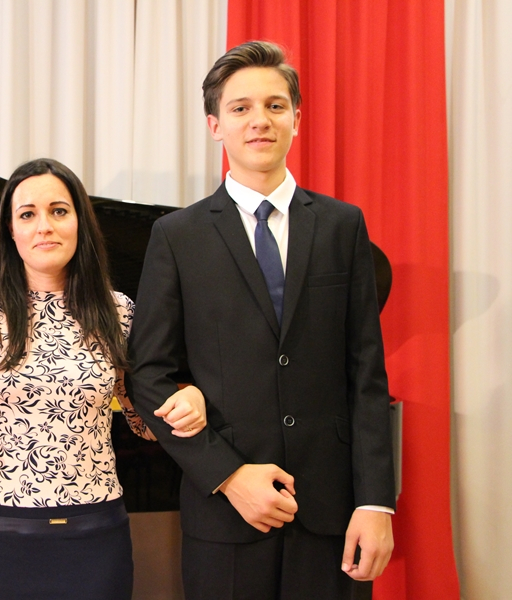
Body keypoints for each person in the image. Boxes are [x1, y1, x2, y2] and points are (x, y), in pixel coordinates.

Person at [125, 41, 396, 599]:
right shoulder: (177, 236)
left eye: (275, 106)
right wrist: (227, 475)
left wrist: (376, 502)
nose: (260, 120)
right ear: (215, 125)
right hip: (225, 517)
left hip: (332, 514)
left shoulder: (343, 226)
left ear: (297, 119)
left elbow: (366, 375)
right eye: (241, 108)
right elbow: (147, 376)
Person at [0, 158, 207, 600]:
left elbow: (144, 420)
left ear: (80, 223)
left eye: (59, 211)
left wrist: (194, 398)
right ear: (10, 230)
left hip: (96, 534)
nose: (44, 226)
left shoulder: (119, 311)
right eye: (27, 214)